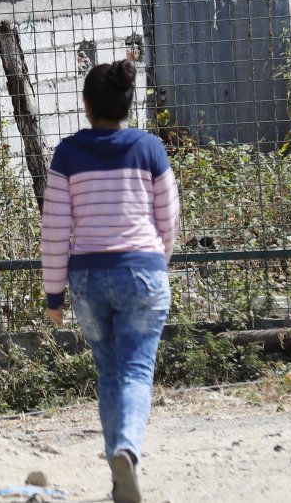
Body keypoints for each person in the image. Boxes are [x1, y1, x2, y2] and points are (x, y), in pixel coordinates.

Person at [40, 60, 179, 503]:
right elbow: (168, 219)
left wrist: (54, 295)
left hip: (89, 279)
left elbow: (55, 230)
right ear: (128, 103)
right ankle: (127, 453)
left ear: (86, 107)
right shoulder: (150, 149)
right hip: (143, 271)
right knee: (137, 370)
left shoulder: (68, 154)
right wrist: (159, 262)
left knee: (108, 372)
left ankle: (118, 470)